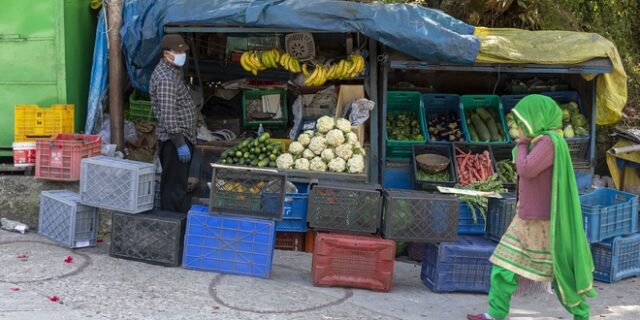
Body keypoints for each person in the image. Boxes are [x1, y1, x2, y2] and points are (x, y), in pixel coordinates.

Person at [467, 94, 596, 320]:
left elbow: (526, 169)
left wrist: (523, 142)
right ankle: (495, 313)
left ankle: (582, 315)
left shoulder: (549, 143)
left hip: (543, 222)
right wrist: (525, 143)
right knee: (503, 264)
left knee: (560, 272)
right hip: (526, 217)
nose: (519, 126)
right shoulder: (542, 141)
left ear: (537, 118)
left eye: (523, 120)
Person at [149, 34, 197, 213]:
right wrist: (179, 142)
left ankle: (175, 220)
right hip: (174, 141)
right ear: (166, 54)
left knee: (177, 184)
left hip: (180, 138)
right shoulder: (166, 79)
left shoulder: (172, 71)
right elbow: (168, 114)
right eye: (178, 51)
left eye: (183, 51)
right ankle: (172, 223)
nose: (182, 54)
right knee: (173, 187)